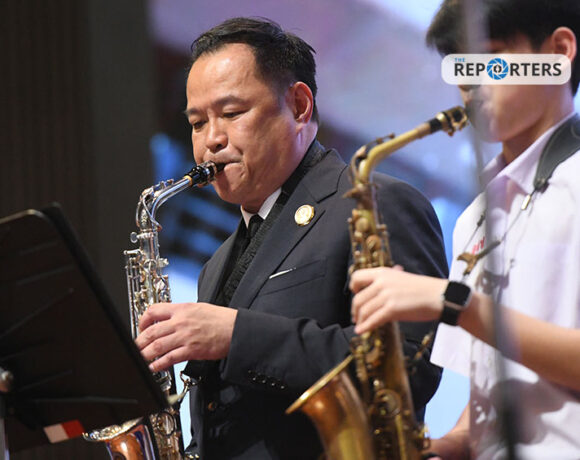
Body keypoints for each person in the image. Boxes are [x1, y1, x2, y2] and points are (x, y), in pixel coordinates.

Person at [136, 17, 448, 459]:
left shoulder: (376, 205)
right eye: (197, 122)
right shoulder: (215, 266)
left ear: (299, 106)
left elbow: (409, 368)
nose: (211, 140)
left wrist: (236, 335)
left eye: (231, 113)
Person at [350, 1, 580, 458]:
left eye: (490, 57)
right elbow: (487, 401)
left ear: (558, 51)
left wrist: (455, 303)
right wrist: (440, 448)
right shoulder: (476, 215)